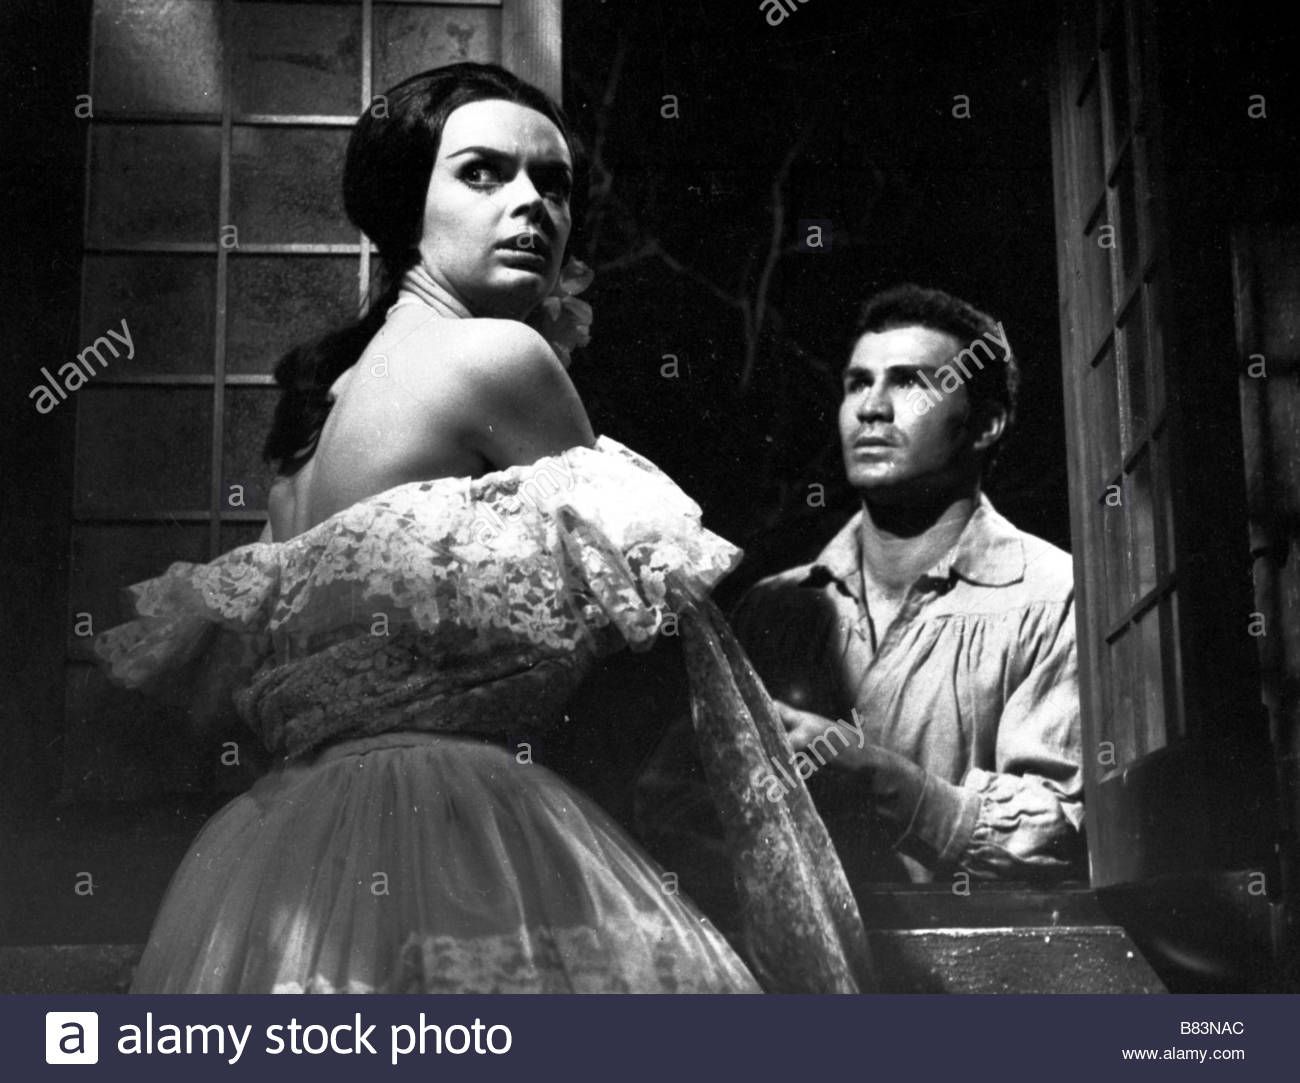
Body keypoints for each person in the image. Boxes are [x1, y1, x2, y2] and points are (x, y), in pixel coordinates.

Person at [92, 63, 871, 994]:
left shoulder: (327, 408)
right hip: (460, 831)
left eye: (555, 183)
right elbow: (649, 648)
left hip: (283, 850)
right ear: (405, 208)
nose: (532, 203)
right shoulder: (500, 355)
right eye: (483, 173)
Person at [636, 285, 1084, 920]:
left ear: (985, 424)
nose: (872, 408)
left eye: (910, 383)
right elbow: (667, 801)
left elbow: (1054, 838)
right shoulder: (775, 607)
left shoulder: (1052, 594)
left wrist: (874, 778)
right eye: (856, 384)